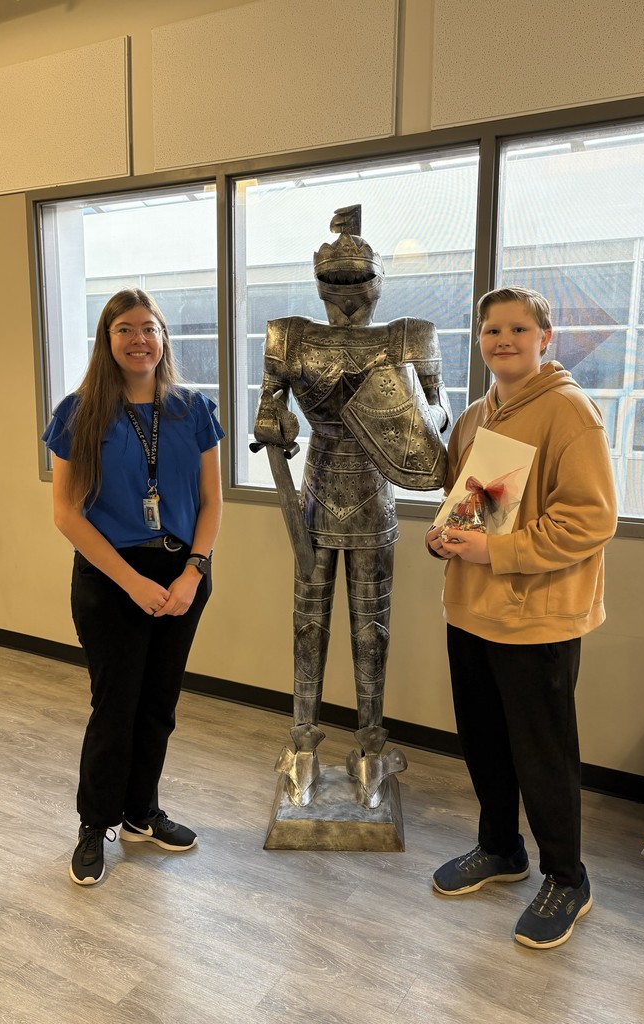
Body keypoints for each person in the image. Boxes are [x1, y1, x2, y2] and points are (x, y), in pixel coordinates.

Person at [426, 286, 617, 949]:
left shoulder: (569, 412)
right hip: (472, 612)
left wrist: (494, 549)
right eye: (490, 330)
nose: (502, 339)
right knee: (483, 743)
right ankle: (500, 848)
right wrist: (447, 532)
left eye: (516, 328)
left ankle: (567, 878)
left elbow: (592, 519)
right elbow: (474, 502)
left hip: (537, 621)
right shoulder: (479, 415)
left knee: (543, 755)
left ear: (545, 338)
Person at [253, 205, 451, 807]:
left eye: (355, 281)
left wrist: (411, 420)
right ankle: (304, 743)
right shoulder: (288, 335)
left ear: (376, 281)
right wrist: (278, 423)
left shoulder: (410, 336)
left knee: (371, 629)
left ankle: (369, 746)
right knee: (309, 624)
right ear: (319, 284)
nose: (346, 294)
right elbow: (267, 414)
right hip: (314, 493)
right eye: (335, 283)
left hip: (374, 493)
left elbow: (438, 422)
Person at [43, 288, 224, 886]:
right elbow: (67, 514)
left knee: (158, 707)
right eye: (125, 329)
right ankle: (95, 824)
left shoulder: (192, 409)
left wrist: (193, 572)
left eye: (149, 328)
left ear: (164, 338)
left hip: (182, 574)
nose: (139, 339)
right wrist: (132, 583)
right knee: (115, 708)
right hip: (109, 576)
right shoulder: (79, 411)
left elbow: (211, 501)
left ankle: (142, 812)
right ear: (107, 339)